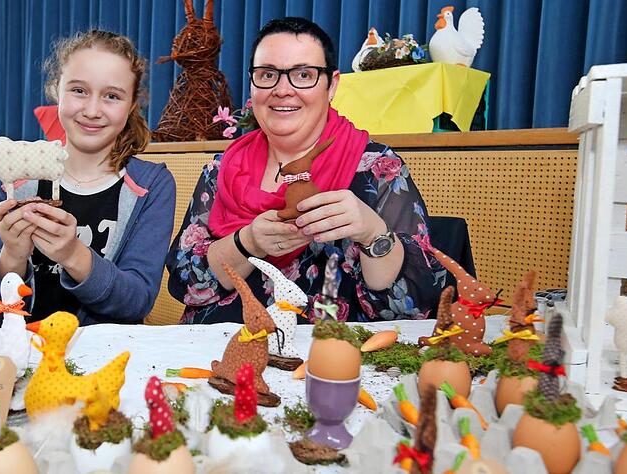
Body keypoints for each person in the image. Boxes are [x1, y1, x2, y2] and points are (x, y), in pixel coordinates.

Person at [166, 17, 442, 324]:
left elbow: (415, 307)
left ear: (332, 85)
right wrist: (248, 242)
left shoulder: (377, 169)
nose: (283, 90)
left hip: (326, 362)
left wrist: (371, 232)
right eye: (267, 74)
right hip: (216, 354)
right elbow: (185, 284)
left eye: (304, 74)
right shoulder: (221, 169)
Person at [0, 30, 175, 325]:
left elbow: (136, 304)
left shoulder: (151, 186)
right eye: (79, 90)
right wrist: (13, 256)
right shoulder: (14, 183)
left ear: (132, 105)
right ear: (57, 89)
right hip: (22, 354)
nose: (92, 110)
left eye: (111, 96)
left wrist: (73, 254)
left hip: (105, 361)